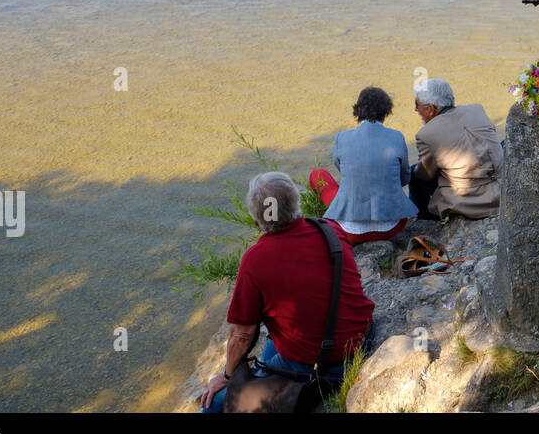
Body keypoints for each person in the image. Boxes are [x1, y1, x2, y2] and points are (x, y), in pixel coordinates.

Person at [200, 172, 375, 413]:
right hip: (363, 337)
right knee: (273, 340)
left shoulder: (255, 260)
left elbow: (241, 336)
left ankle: (266, 376)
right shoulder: (330, 229)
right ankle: (265, 369)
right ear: (296, 203)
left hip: (322, 366)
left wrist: (227, 378)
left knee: (211, 406)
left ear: (256, 223)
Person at [308, 86, 419, 246]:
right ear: (386, 111)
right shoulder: (397, 137)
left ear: (357, 109)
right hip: (393, 226)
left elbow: (341, 169)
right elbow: (403, 178)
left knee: (317, 174)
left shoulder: (342, 138)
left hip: (350, 231)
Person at [408, 78, 502, 220]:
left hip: (473, 202)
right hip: (503, 189)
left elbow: (425, 175)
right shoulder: (477, 109)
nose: (415, 109)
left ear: (431, 109)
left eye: (417, 104)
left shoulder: (426, 134)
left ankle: (425, 219)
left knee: (414, 173)